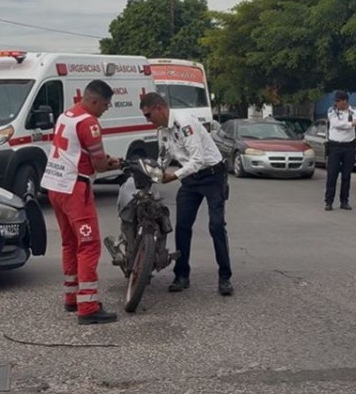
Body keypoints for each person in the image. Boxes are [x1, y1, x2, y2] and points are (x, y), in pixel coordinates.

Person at [40, 80, 121, 325]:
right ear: (95, 101)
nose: (106, 109)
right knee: (89, 245)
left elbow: (79, 150)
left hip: (55, 185)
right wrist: (113, 163)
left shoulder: (68, 115)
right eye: (106, 105)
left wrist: (105, 159)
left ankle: (71, 296)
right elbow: (97, 164)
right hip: (75, 187)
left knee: (69, 242)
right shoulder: (89, 123)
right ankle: (88, 306)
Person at [139, 92, 233, 296]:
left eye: (148, 115)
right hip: (191, 179)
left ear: (159, 108)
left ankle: (225, 277)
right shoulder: (162, 130)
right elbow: (164, 157)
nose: (148, 120)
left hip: (211, 175)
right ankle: (182, 275)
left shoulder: (185, 124)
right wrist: (155, 174)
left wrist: (173, 176)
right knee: (182, 227)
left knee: (216, 226)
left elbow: (197, 160)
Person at [324, 90, 356, 211]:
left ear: (345, 101)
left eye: (338, 101)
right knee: (332, 175)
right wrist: (352, 123)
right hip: (335, 147)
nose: (336, 103)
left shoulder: (355, 111)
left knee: (346, 175)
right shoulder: (331, 111)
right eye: (335, 101)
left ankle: (344, 201)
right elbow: (336, 124)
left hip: (349, 146)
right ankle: (329, 201)